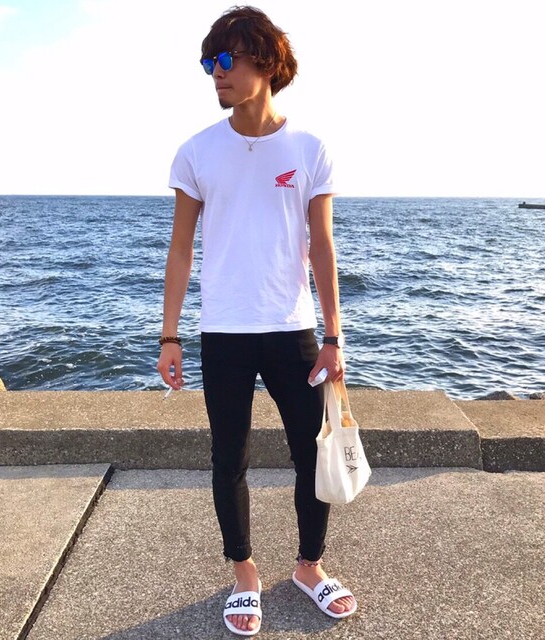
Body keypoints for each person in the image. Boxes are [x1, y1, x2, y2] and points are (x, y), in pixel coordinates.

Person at [156, 5, 356, 636]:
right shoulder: (197, 152)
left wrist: (333, 336)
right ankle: (244, 573)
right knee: (229, 459)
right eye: (208, 62)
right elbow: (181, 249)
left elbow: (321, 247)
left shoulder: (310, 149)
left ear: (266, 63)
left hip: (293, 329)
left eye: (227, 59)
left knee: (312, 455)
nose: (216, 73)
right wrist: (169, 335)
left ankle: (309, 567)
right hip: (223, 332)